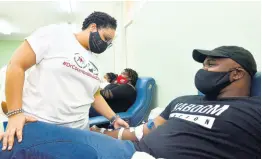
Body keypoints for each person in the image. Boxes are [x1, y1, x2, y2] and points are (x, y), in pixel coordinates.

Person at [0, 46, 260, 159]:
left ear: (237, 73)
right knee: (25, 132)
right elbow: (140, 132)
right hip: (130, 151)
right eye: (203, 64)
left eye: (211, 64)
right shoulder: (183, 100)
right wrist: (101, 130)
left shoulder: (254, 110)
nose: (204, 69)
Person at [0, 11, 129, 151]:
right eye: (106, 38)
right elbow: (16, 65)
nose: (106, 44)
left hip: (79, 133)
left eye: (109, 43)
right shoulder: (56, 34)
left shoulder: (96, 63)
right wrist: (15, 113)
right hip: (41, 127)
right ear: (93, 27)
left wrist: (114, 118)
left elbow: (94, 95)